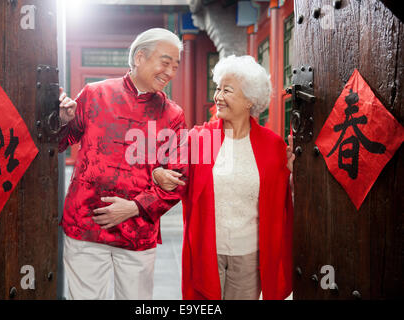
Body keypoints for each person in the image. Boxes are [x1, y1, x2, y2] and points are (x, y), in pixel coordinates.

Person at [57, 28, 187, 300]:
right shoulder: (94, 94)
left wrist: (135, 206)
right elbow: (61, 142)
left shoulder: (173, 115)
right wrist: (62, 120)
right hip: (86, 225)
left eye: (175, 66)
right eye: (165, 63)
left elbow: (179, 179)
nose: (170, 72)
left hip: (137, 232)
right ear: (140, 57)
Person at [153, 55, 295, 300]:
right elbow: (172, 174)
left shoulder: (273, 146)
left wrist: (294, 174)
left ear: (249, 100)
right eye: (218, 89)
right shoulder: (201, 139)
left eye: (227, 91)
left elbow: (282, 197)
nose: (218, 96)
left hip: (249, 253)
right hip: (207, 249)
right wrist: (157, 173)